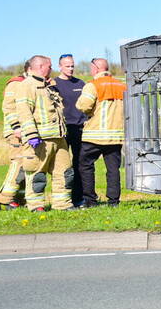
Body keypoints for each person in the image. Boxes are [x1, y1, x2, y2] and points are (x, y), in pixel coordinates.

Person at [15, 55, 73, 211]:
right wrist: (32, 135)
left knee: (64, 172)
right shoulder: (26, 86)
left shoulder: (48, 85)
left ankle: (62, 205)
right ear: (41, 66)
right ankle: (36, 206)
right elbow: (24, 112)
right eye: (50, 66)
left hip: (59, 138)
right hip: (40, 139)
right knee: (37, 174)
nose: (51, 69)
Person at [76, 58, 126, 207]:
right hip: (115, 136)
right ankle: (113, 201)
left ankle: (90, 200)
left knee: (85, 166)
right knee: (113, 170)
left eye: (91, 68)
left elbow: (83, 106)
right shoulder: (121, 85)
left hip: (94, 136)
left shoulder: (92, 85)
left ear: (96, 69)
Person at [52, 54, 86, 205]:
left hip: (80, 129)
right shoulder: (54, 84)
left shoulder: (81, 83)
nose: (71, 68)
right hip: (63, 131)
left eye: (72, 65)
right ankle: (62, 198)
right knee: (64, 166)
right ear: (60, 66)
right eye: (67, 66)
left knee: (80, 164)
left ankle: (78, 197)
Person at [0, 61, 29, 209]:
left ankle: (19, 199)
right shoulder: (16, 84)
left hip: (27, 131)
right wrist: (16, 127)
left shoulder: (30, 83)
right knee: (18, 164)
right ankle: (5, 199)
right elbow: (8, 107)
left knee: (27, 166)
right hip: (17, 132)